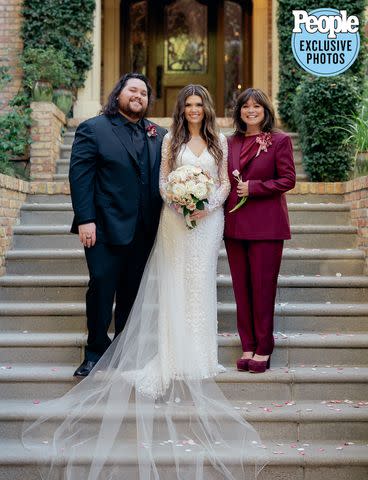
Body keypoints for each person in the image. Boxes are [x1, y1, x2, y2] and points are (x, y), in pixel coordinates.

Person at [22, 85, 266, 479]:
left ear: (206, 106)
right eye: (186, 104)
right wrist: (182, 202)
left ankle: (201, 353)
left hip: (208, 223)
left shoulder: (218, 139)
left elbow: (223, 181)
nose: (193, 110)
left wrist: (206, 205)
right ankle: (159, 351)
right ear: (179, 108)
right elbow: (163, 181)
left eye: (198, 103)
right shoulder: (168, 137)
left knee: (200, 282)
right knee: (171, 283)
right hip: (174, 220)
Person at [69, 73, 167, 377]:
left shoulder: (159, 134)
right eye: (132, 90)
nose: (138, 96)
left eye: (144, 93)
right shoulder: (93, 129)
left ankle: (125, 350)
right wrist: (86, 219)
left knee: (131, 293)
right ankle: (95, 351)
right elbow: (80, 177)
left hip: (144, 229)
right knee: (101, 286)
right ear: (119, 94)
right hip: (103, 227)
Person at [224, 88, 296, 374]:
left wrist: (254, 188)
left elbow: (288, 179)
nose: (250, 110)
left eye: (256, 106)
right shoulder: (229, 142)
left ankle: (264, 347)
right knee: (241, 290)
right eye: (245, 106)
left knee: (263, 290)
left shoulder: (279, 140)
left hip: (267, 226)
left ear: (266, 110)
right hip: (235, 227)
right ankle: (248, 345)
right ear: (239, 111)